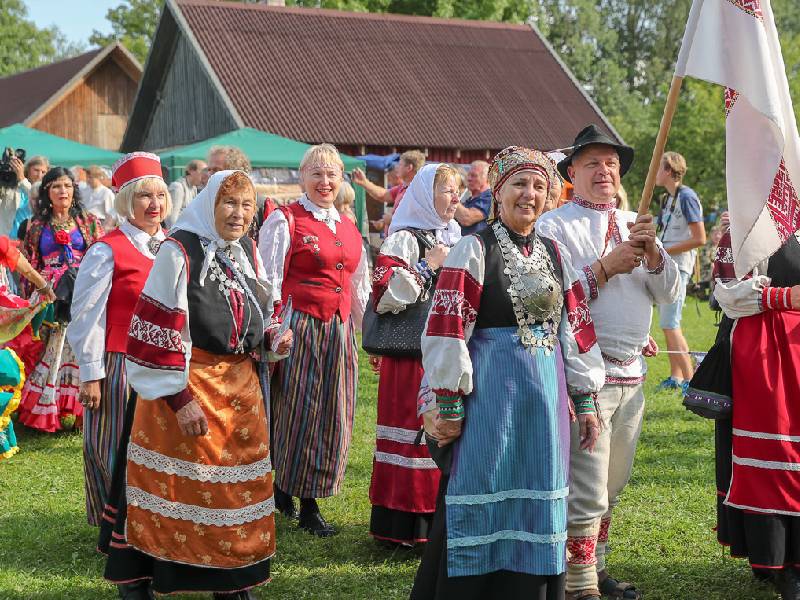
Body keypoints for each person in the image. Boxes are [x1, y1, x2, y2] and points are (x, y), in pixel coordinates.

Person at [411, 146, 604, 600]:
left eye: (539, 186)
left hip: (544, 406)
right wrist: (449, 405)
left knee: (538, 498)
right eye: (519, 184)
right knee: (482, 491)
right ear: (498, 192)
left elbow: (573, 333)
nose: (529, 194)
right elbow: (446, 332)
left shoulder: (557, 255)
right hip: (489, 406)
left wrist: (586, 402)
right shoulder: (471, 250)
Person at [100, 169, 292, 600]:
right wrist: (179, 399)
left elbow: (258, 310)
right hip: (189, 387)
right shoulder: (178, 250)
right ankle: (142, 578)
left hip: (240, 391)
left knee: (232, 493)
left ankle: (233, 579)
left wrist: (272, 334)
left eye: (246, 205)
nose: (239, 214)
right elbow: (154, 328)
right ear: (209, 203)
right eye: (230, 203)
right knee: (170, 490)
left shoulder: (245, 249)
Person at [537, 124, 681, 600]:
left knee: (613, 482)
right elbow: (547, 299)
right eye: (593, 162)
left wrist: (654, 252)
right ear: (572, 171)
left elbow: (668, 294)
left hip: (633, 375)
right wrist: (607, 266)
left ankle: (595, 569)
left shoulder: (635, 221)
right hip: (583, 375)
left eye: (612, 163)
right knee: (587, 486)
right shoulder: (554, 226)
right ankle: (578, 586)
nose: (605, 171)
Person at [259, 143, 370, 537]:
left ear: (341, 179)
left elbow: (358, 286)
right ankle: (302, 500)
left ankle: (296, 488)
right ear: (302, 177)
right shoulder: (286, 220)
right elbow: (268, 278)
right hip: (300, 325)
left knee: (332, 410)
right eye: (317, 174)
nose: (325, 181)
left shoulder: (348, 225)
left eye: (332, 174)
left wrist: (366, 334)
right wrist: (274, 328)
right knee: (298, 409)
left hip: (338, 329)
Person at [692, 228, 800, 599]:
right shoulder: (748, 226)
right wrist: (784, 296)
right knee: (775, 455)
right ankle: (781, 562)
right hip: (765, 360)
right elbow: (728, 293)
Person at [66, 153, 170, 527]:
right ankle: (116, 525)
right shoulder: (107, 249)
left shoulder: (175, 246)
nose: (154, 205)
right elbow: (86, 316)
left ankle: (153, 523)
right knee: (112, 445)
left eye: (159, 196)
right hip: (121, 364)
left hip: (167, 366)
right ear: (127, 200)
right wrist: (91, 373)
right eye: (144, 196)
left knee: (160, 447)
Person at [368, 163, 461, 547]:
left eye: (458, 191)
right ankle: (404, 524)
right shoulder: (405, 238)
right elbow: (385, 297)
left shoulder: (455, 235)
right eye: (447, 190)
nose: (456, 198)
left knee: (443, 428)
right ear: (426, 194)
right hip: (410, 355)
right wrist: (429, 266)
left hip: (446, 350)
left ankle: (438, 519)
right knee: (411, 431)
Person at [16, 167, 104, 432]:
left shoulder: (89, 222)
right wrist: (30, 300)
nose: (62, 191)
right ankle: (47, 410)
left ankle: (80, 411)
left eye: (66, 186)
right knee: (51, 350)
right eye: (55, 187)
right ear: (47, 192)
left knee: (80, 349)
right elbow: (30, 263)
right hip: (49, 296)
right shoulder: (35, 226)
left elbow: (100, 260)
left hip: (81, 293)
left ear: (74, 190)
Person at [654, 151, 705, 392]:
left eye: (658, 167)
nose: (654, 172)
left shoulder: (687, 196)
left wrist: (666, 249)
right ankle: (675, 377)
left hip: (679, 266)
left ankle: (692, 380)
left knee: (670, 323)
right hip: (668, 266)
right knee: (666, 324)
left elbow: (700, 238)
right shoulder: (667, 199)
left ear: (668, 170)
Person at [352, 150, 426, 208]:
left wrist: (390, 219)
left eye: (400, 164)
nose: (397, 167)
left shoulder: (418, 192)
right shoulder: (402, 188)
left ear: (409, 168)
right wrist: (364, 182)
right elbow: (383, 195)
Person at [453, 160, 491, 235]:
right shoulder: (469, 199)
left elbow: (467, 218)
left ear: (487, 178)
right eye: (469, 175)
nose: (469, 179)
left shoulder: (490, 198)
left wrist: (451, 196)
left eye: (474, 175)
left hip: (477, 245)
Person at [166, 159, 206, 228]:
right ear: (191, 171)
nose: (204, 175)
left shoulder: (194, 188)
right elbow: (171, 219)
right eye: (202, 172)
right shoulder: (177, 187)